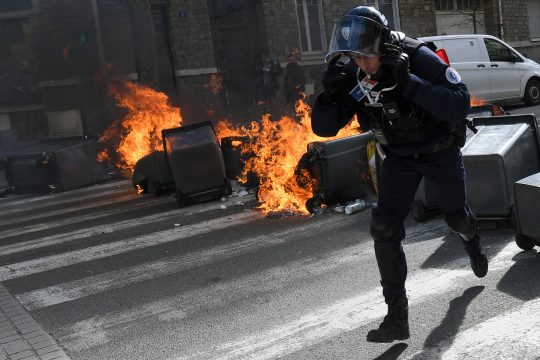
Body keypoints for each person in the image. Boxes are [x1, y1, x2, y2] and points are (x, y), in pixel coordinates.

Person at [311, 6, 488, 343]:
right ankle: (397, 319)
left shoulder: (417, 57)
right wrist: (328, 96)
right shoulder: (359, 74)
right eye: (355, 58)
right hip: (398, 158)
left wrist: (409, 82)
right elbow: (324, 128)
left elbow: (459, 103)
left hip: (439, 151)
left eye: (367, 57)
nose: (362, 65)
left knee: (455, 217)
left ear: (383, 46)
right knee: (383, 227)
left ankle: (472, 241)